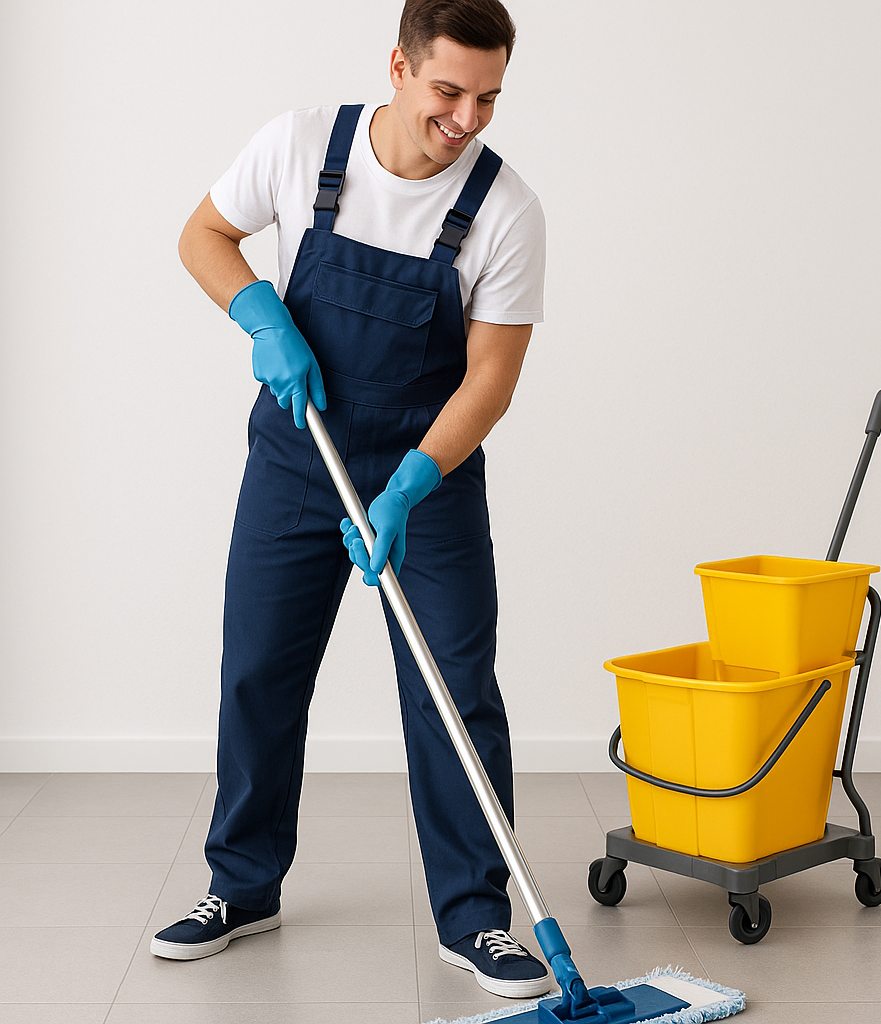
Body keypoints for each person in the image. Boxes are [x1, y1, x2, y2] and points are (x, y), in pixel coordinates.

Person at [149, 0, 548, 999]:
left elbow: (491, 378)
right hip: (298, 456)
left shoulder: (505, 209)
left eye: (488, 99)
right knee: (260, 669)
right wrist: (259, 314)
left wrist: (412, 482)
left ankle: (475, 917)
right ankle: (241, 886)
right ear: (399, 68)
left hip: (429, 472)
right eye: (448, 91)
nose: (466, 120)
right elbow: (204, 234)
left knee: (454, 688)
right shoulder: (301, 147)